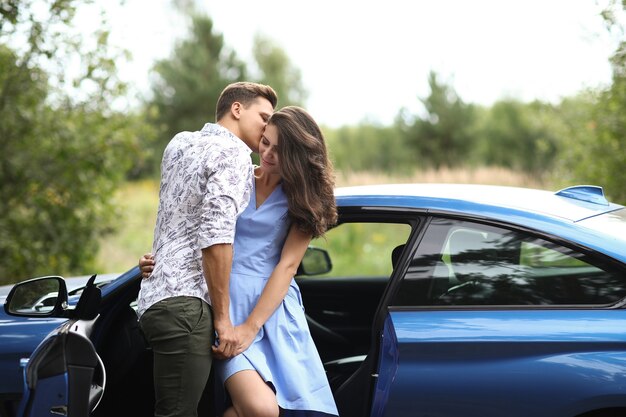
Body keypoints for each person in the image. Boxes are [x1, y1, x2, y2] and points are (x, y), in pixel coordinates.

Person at [140, 106, 339, 417]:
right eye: (266, 142)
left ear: (300, 155)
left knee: (276, 409)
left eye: (281, 150)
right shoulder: (235, 175)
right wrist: (160, 258)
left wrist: (251, 327)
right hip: (224, 303)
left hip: (270, 311)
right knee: (262, 409)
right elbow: (190, 224)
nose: (268, 154)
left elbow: (287, 267)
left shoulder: (304, 200)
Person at [137, 81, 278, 417]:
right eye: (263, 116)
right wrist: (224, 320)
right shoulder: (234, 154)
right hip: (188, 307)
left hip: (153, 298)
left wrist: (154, 260)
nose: (267, 127)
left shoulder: (179, 143)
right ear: (237, 109)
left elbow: (175, 218)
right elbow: (216, 236)